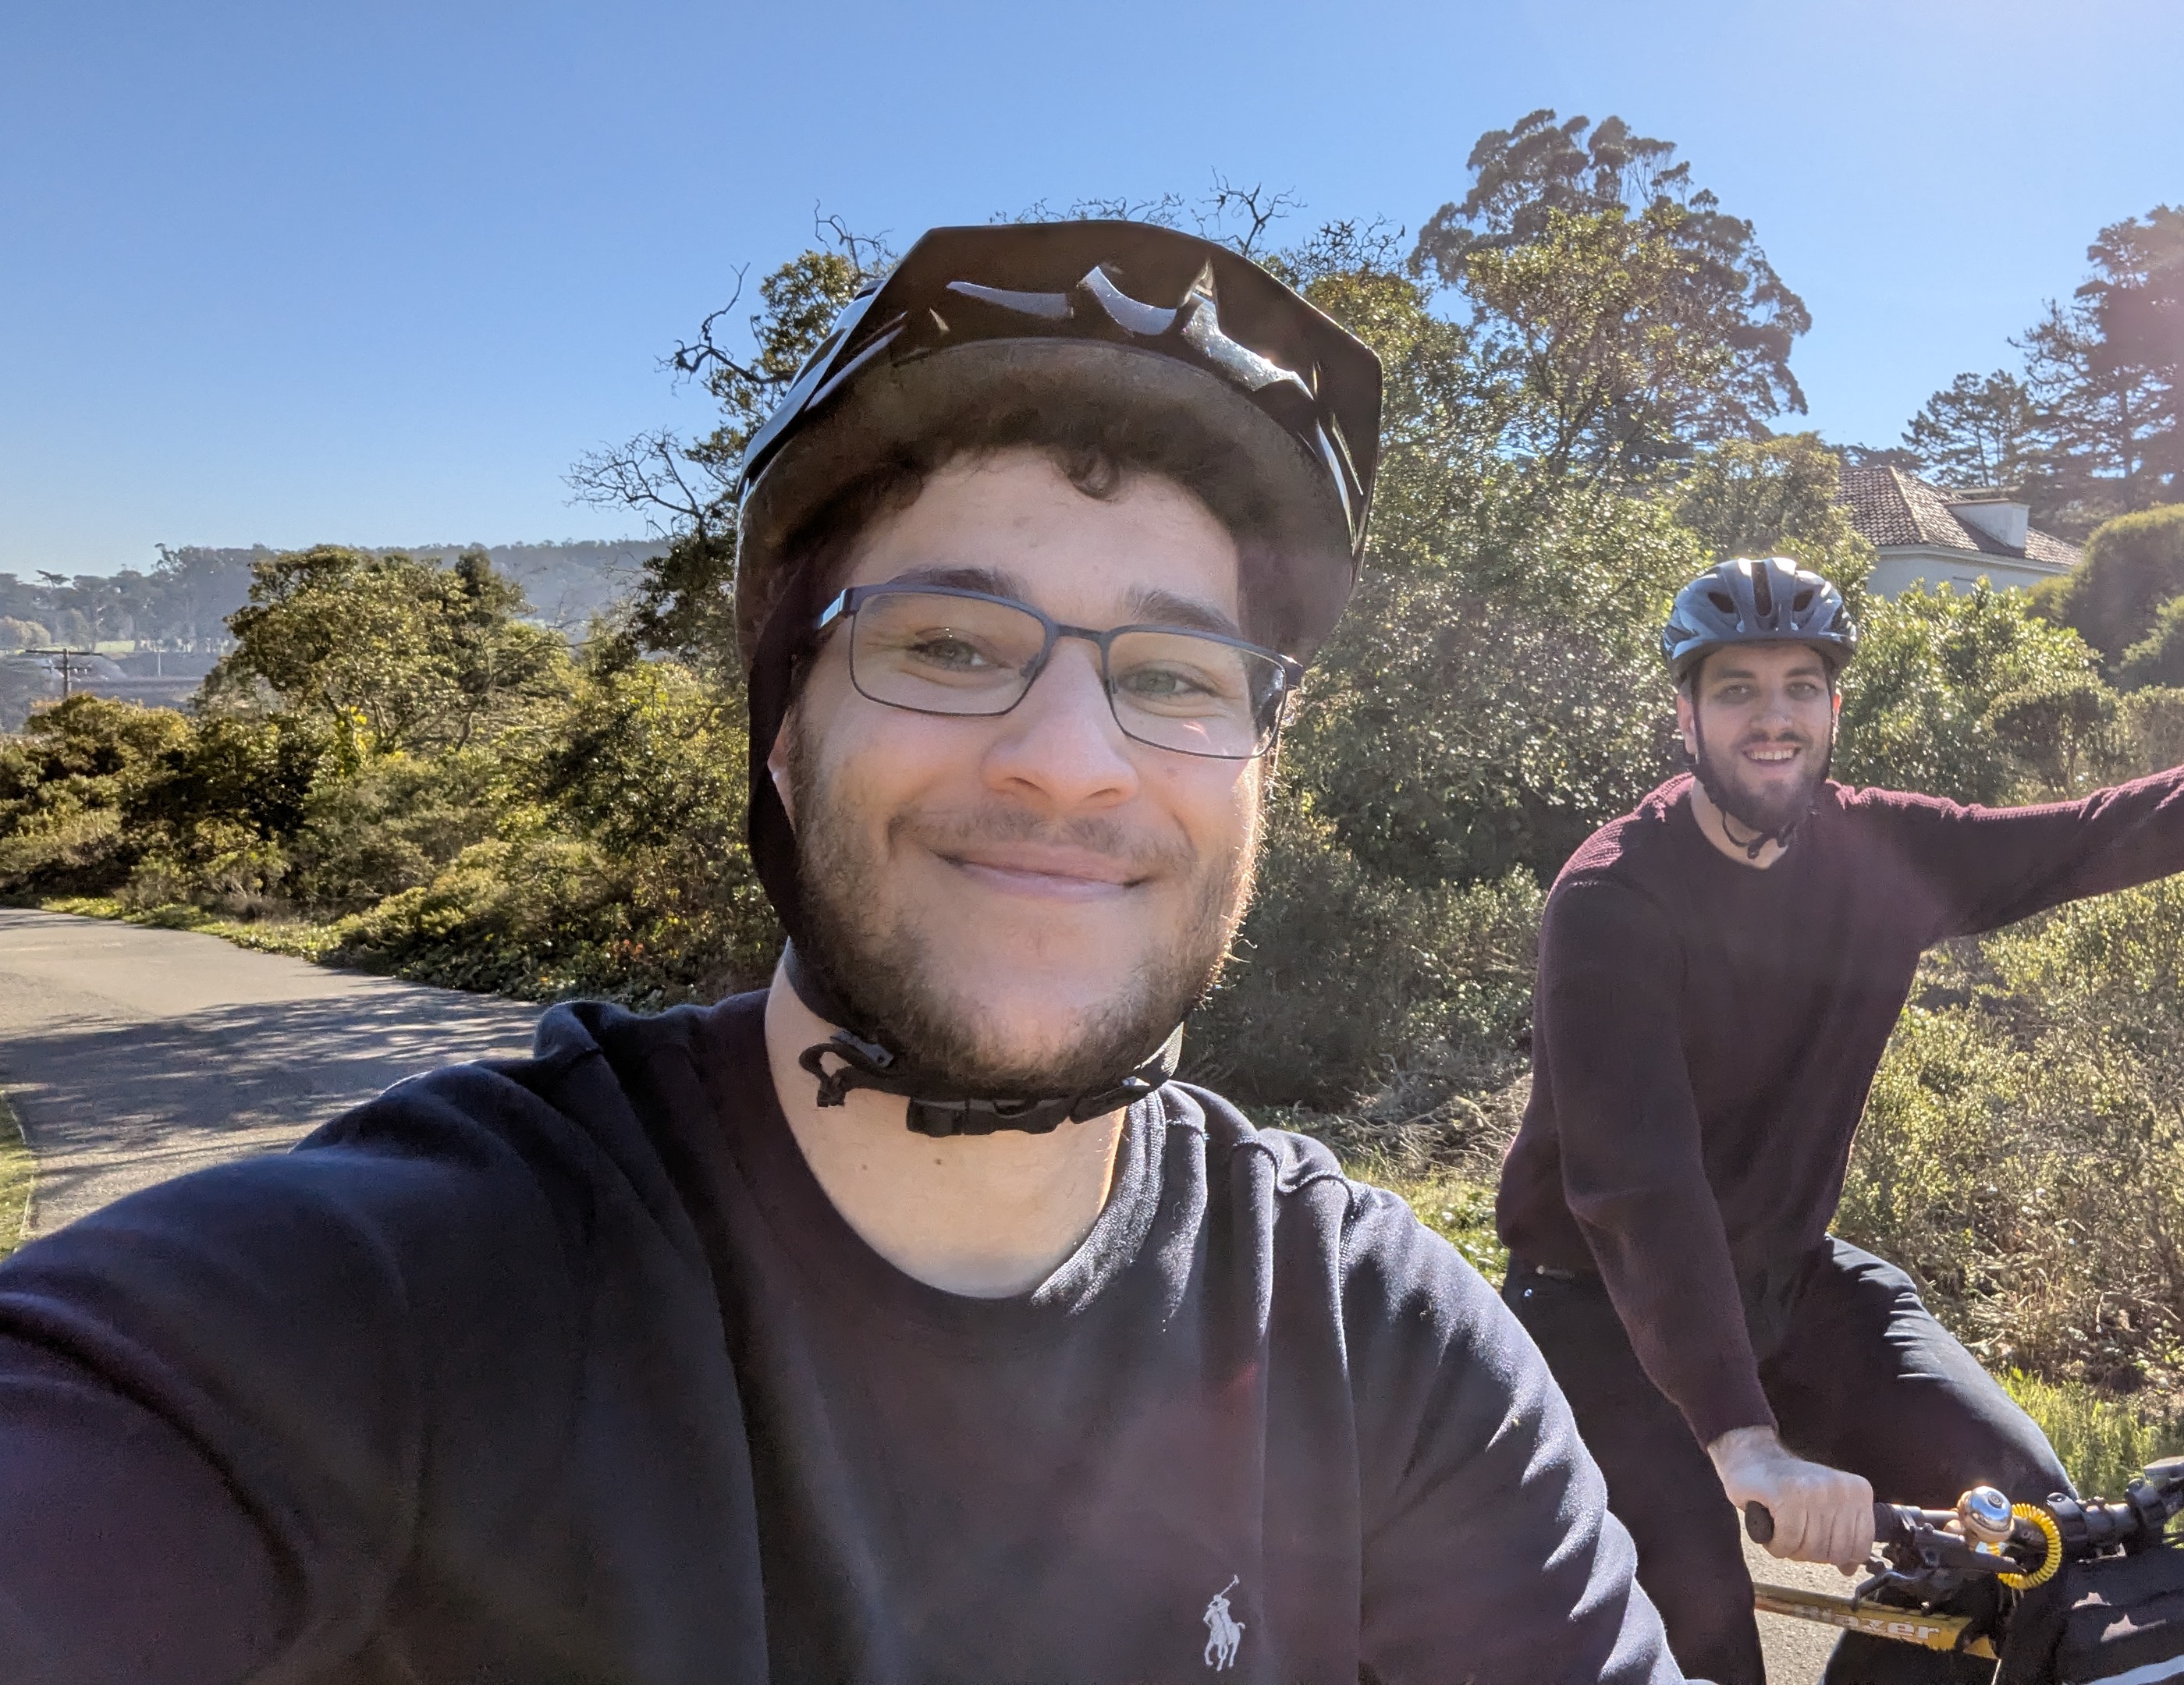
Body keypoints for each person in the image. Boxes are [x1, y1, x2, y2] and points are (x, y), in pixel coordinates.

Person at [0, 222, 1681, 1684]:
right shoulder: (380, 1306)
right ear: (784, 741)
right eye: (946, 643)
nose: (1071, 756)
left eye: (1175, 676)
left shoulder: (1373, 1343)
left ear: (1259, 775)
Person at [1495, 552, 2184, 1682]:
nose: (1772, 718)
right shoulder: (1612, 900)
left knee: (2023, 1530)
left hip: (1794, 1283)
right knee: (1697, 1635)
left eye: (1800, 688)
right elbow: (1640, 1190)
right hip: (1603, 1317)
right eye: (1737, 689)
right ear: (1684, 713)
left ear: (1834, 707)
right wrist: (1746, 1443)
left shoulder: (1882, 850)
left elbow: (2086, 834)